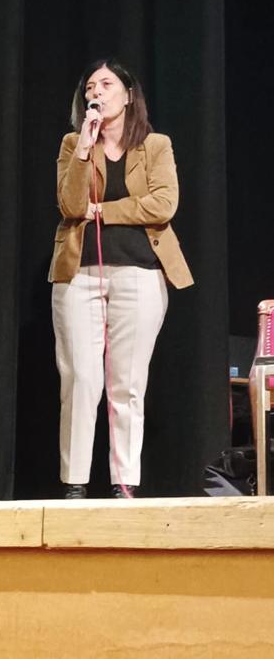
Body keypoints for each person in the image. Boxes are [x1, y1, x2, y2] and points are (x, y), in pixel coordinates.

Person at [48, 59, 193, 499]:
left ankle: (124, 482)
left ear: (129, 95)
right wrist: (84, 147)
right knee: (80, 379)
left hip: (140, 273)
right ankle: (75, 483)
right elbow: (70, 205)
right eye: (90, 86)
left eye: (107, 84)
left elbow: (163, 204)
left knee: (127, 383)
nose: (97, 91)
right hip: (78, 275)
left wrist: (103, 212)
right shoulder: (73, 143)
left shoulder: (156, 145)